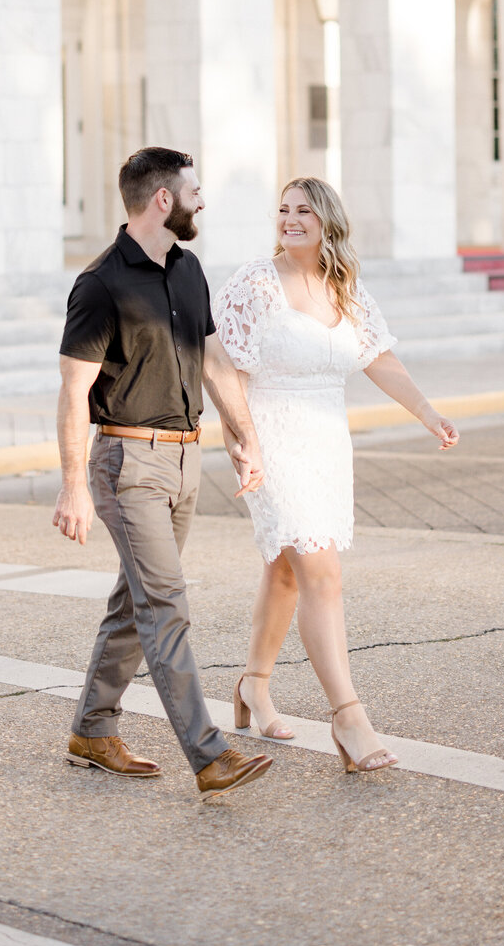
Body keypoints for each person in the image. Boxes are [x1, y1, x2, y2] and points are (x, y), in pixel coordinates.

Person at [213, 177, 460, 774]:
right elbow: (221, 366)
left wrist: (428, 412)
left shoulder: (344, 287)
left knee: (287, 571)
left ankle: (254, 683)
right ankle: (348, 717)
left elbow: (376, 354)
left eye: (303, 210)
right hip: (272, 440)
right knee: (321, 571)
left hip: (326, 445)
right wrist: (241, 444)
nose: (289, 219)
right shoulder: (253, 282)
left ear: (327, 220)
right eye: (282, 209)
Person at [54, 146, 274, 798]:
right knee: (167, 604)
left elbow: (210, 358)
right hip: (127, 463)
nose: (202, 200)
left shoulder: (188, 270)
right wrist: (73, 485)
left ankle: (93, 728)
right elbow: (73, 390)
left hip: (183, 458)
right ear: (162, 200)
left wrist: (245, 435)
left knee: (139, 601)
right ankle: (210, 754)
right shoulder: (99, 284)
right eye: (194, 190)